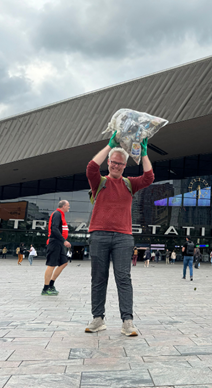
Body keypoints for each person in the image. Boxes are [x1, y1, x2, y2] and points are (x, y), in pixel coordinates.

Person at [84, 135, 153, 336]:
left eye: (120, 164)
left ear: (125, 166)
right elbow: (91, 167)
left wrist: (145, 154)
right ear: (109, 163)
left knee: (123, 278)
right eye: (113, 162)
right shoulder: (100, 182)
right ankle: (98, 319)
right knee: (98, 278)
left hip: (123, 237)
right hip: (98, 235)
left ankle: (127, 322)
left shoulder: (130, 184)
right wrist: (109, 145)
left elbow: (149, 178)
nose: (116, 166)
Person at [42, 200, 72, 296]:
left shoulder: (60, 215)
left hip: (58, 243)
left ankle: (51, 284)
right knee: (51, 264)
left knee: (64, 263)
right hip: (54, 242)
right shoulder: (57, 214)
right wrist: (64, 240)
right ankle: (45, 288)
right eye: (68, 206)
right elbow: (54, 229)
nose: (69, 207)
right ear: (63, 206)